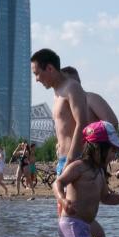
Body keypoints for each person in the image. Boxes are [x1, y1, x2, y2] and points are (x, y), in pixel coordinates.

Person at [31, 50, 90, 178]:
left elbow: (82, 124)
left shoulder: (72, 88)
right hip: (63, 160)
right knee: (62, 198)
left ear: (50, 68)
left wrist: (70, 159)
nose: (36, 79)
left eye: (37, 74)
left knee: (71, 199)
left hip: (74, 161)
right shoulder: (57, 93)